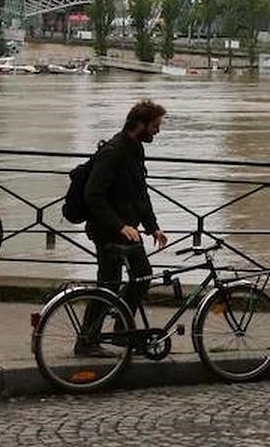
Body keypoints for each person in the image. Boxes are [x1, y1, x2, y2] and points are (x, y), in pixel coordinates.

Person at [80, 100, 169, 356]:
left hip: (128, 228)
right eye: (155, 126)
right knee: (108, 285)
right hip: (108, 230)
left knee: (142, 276)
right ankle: (86, 341)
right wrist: (119, 225)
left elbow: (140, 193)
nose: (157, 131)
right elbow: (93, 194)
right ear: (139, 124)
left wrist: (153, 227)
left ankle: (122, 330)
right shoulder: (114, 151)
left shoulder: (135, 149)